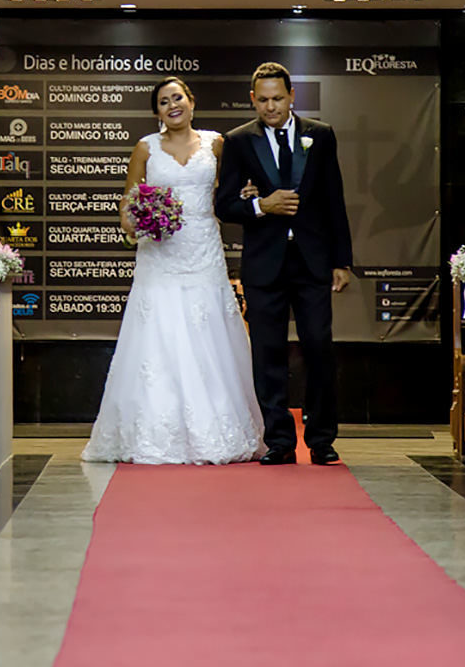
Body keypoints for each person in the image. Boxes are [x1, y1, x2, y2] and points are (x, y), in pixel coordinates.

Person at [82, 77, 264, 465]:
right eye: (163, 102)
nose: (172, 106)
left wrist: (248, 194)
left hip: (203, 250)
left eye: (177, 97)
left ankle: (215, 427)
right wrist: (137, 220)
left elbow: (232, 191)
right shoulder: (145, 148)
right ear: (157, 112)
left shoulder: (217, 143)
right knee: (159, 335)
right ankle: (153, 429)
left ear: (192, 102)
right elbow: (129, 200)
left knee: (206, 332)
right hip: (159, 256)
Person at [215, 62, 354, 466]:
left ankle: (322, 440)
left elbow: (334, 201)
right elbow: (225, 206)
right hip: (264, 264)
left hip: (313, 263)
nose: (271, 107)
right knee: (267, 353)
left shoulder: (321, 135)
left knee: (319, 348)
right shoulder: (239, 141)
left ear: (292, 97)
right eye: (263, 100)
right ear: (252, 99)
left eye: (278, 98)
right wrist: (261, 205)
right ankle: (279, 441)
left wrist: (341, 260)